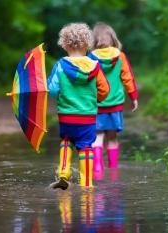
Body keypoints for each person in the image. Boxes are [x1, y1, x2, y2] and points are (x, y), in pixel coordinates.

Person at [47, 22, 110, 189]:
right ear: (87, 45)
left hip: (66, 116)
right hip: (87, 117)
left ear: (65, 45)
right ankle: (87, 183)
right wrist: (96, 100)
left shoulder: (60, 65)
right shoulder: (95, 66)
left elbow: (52, 90)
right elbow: (104, 90)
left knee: (66, 140)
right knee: (86, 147)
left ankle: (63, 172)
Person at [88, 22, 138, 172]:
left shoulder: (90, 58)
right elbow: (127, 78)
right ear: (113, 39)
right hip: (115, 105)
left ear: (94, 40)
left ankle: (97, 167)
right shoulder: (120, 57)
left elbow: (86, 80)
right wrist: (133, 96)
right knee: (112, 137)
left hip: (97, 104)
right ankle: (113, 169)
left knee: (97, 136)